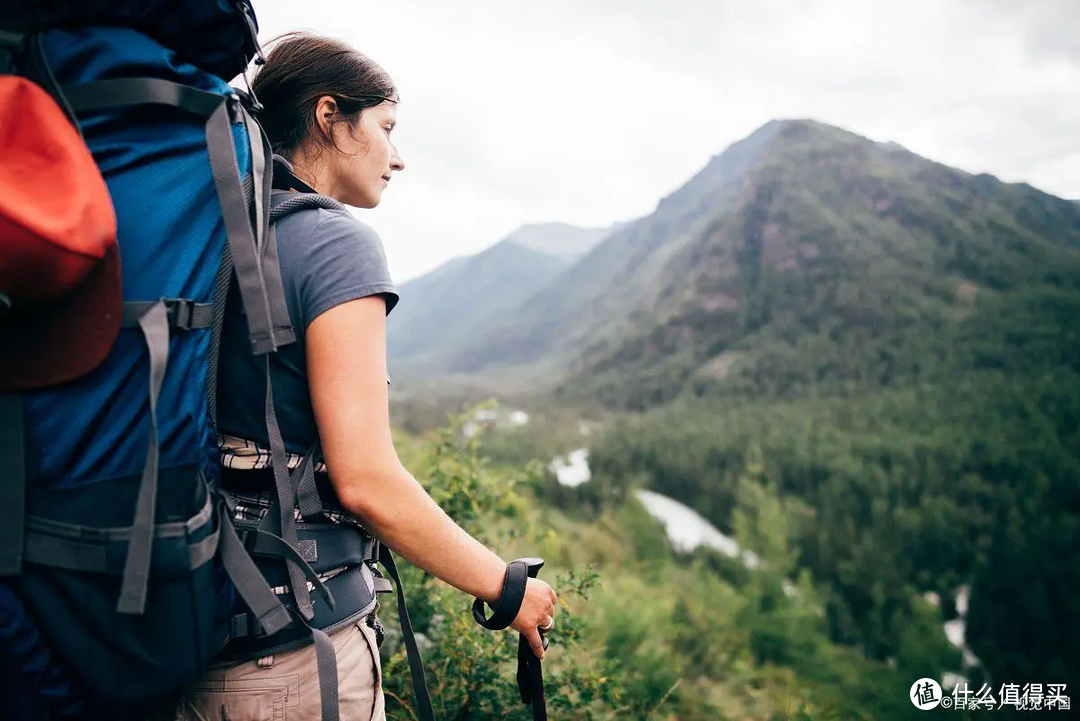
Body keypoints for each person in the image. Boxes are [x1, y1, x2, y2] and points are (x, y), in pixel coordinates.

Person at [162, 32, 558, 721]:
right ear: (327, 116)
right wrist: (506, 584)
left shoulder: (209, 238)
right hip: (294, 658)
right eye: (386, 128)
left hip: (190, 637)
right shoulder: (334, 243)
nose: (398, 157)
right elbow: (366, 479)